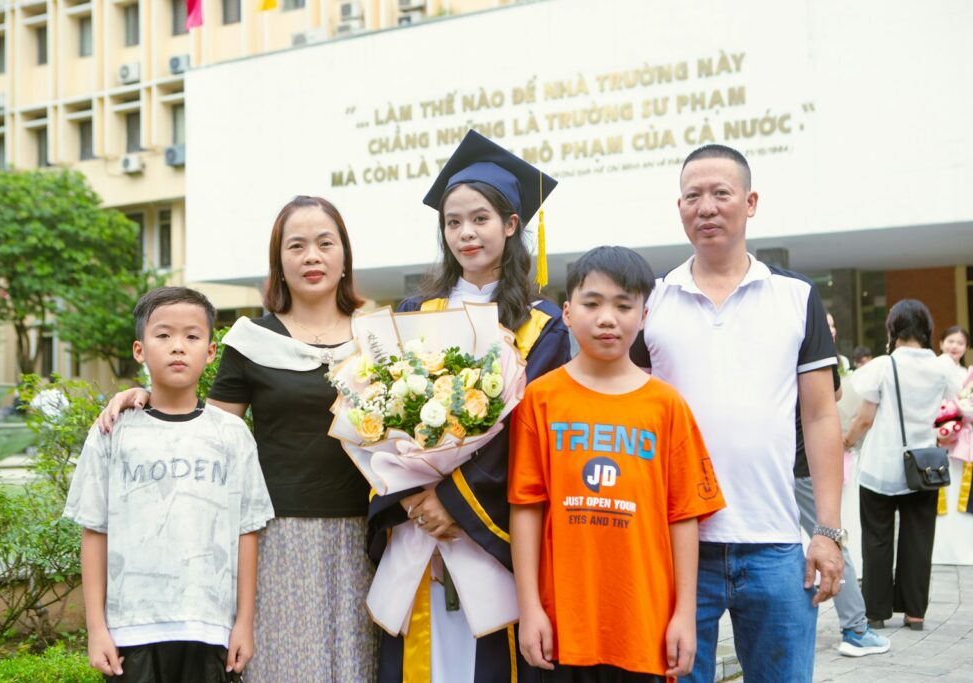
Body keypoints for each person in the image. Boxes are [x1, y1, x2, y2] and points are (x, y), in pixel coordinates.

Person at [97, 197, 378, 681]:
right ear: (279, 263)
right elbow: (207, 429)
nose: (312, 256)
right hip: (277, 536)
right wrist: (148, 392)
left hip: (369, 535)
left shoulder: (379, 338)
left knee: (358, 665)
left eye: (324, 243)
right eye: (297, 245)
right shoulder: (252, 341)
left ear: (344, 256)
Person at [631, 144, 845, 683]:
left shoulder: (796, 297)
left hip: (775, 547)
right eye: (693, 196)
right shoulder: (651, 302)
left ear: (749, 203)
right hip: (677, 545)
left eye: (721, 193)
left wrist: (829, 532)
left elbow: (821, 418)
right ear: (678, 207)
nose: (706, 207)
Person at [369, 130, 570, 682]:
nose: (465, 233)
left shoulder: (541, 324)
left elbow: (526, 433)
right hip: (417, 526)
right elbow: (382, 410)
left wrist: (452, 503)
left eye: (480, 219)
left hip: (488, 530)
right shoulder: (415, 310)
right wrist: (414, 495)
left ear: (510, 225)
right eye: (453, 222)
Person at [509, 246, 726, 682]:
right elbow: (526, 506)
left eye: (623, 305)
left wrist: (683, 614)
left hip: (641, 626)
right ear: (567, 312)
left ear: (643, 316)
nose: (607, 318)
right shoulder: (540, 399)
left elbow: (683, 517)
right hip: (562, 626)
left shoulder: (666, 406)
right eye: (592, 303)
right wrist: (529, 608)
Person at [65, 286, 275, 681]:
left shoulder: (231, 434)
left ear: (210, 352)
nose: (178, 346)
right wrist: (97, 629)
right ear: (139, 350)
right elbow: (94, 530)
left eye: (192, 336)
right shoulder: (114, 430)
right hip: (132, 630)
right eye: (163, 335)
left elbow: (247, 531)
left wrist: (243, 622)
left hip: (210, 629)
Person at [844, 299, 962, 630]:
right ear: (926, 330)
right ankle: (915, 613)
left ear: (892, 329)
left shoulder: (882, 366)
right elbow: (957, 398)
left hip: (880, 468)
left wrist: (845, 441)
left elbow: (864, 418)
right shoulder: (942, 368)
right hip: (925, 468)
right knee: (919, 539)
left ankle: (876, 613)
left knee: (877, 540)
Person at [794, 317, 890, 657]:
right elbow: (832, 396)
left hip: (784, 466)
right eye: (825, 324)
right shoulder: (814, 358)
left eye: (834, 325)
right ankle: (856, 629)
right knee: (832, 542)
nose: (829, 330)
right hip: (805, 468)